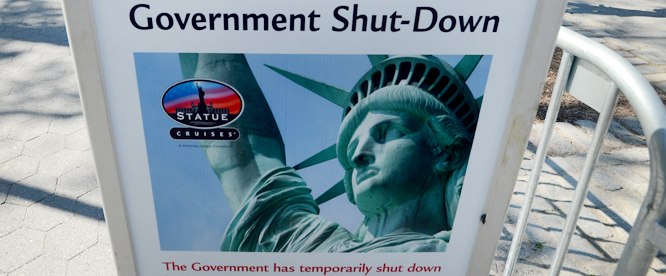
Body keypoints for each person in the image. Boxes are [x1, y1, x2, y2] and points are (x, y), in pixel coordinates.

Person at [180, 54, 478, 253]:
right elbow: (247, 159)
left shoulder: (470, 255)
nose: (359, 155)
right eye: (350, 152)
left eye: (385, 133)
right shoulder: (315, 250)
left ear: (449, 153)